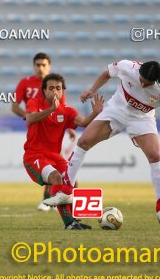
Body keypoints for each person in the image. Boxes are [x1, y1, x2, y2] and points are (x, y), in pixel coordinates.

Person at [60, 60, 160, 226]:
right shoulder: (128, 67)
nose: (142, 84)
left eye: (147, 84)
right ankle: (66, 190)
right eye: (141, 80)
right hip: (117, 109)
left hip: (142, 118)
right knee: (84, 141)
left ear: (157, 80)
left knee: (155, 156)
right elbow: (106, 74)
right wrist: (92, 90)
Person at [23, 73, 104, 229]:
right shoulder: (34, 102)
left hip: (54, 156)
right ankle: (69, 224)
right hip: (34, 155)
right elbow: (30, 119)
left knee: (72, 181)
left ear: (63, 91)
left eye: (58, 88)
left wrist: (95, 113)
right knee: (56, 178)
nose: (55, 91)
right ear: (44, 90)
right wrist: (51, 109)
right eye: (51, 88)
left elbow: (85, 122)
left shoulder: (67, 110)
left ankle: (74, 220)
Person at [12, 52, 77, 211]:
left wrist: (68, 128)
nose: (40, 68)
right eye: (38, 65)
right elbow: (14, 106)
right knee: (46, 163)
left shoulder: (56, 86)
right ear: (33, 66)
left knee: (56, 166)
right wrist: (28, 117)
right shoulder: (25, 83)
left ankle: (50, 200)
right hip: (35, 124)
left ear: (49, 66)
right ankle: (52, 200)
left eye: (44, 65)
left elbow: (62, 110)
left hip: (52, 129)